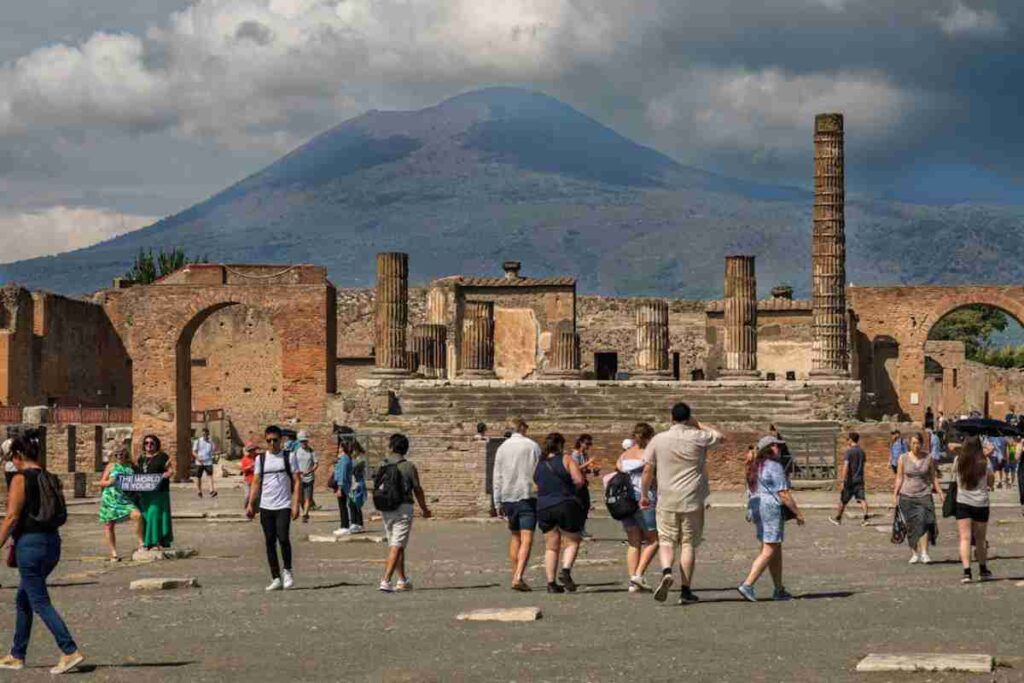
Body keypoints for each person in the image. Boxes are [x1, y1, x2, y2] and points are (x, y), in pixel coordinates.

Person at [0, 431, 84, 675]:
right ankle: (17, 654)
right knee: (24, 599)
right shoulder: (51, 477)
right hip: (52, 543)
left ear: (17, 455)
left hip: (30, 545)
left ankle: (69, 650)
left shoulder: (21, 479)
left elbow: (12, 516)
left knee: (39, 601)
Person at [640, 402, 724, 605]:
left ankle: (667, 571)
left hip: (666, 497)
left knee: (667, 540)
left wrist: (644, 494)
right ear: (688, 418)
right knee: (688, 544)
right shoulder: (698, 437)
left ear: (671, 418)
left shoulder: (658, 440)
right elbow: (720, 437)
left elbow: (647, 470)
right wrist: (699, 424)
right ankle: (686, 591)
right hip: (692, 498)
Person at [737, 435, 804, 602]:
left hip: (756, 506)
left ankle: (778, 588)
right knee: (769, 549)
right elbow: (783, 493)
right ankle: (748, 584)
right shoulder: (774, 466)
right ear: (769, 448)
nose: (779, 449)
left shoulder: (754, 466)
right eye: (776, 446)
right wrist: (797, 512)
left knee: (774, 547)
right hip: (770, 507)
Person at [247, 425, 301, 591]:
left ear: (281, 439)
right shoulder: (260, 459)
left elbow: (297, 481)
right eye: (268, 440)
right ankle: (275, 577)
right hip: (266, 506)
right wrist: (250, 504)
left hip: (283, 504)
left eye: (275, 440)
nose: (271, 443)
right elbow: (256, 482)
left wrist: (296, 503)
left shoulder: (289, 457)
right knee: (269, 542)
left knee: (283, 538)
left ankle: (288, 571)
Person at [378, 433, 432, 593]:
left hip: (386, 507)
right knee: (396, 545)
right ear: (406, 449)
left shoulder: (383, 464)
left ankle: (402, 580)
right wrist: (424, 509)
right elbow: (417, 489)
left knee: (397, 544)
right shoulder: (409, 466)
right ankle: (386, 580)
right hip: (403, 508)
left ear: (391, 447)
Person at [534, 432, 586, 594]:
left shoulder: (540, 463)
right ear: (560, 445)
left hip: (543, 507)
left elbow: (536, 483)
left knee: (551, 546)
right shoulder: (566, 459)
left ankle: (551, 582)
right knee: (573, 540)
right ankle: (565, 570)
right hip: (565, 503)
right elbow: (579, 480)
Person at [492, 419, 541, 591]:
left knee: (515, 537)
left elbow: (497, 476)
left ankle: (516, 575)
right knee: (527, 538)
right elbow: (539, 472)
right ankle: (518, 576)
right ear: (522, 427)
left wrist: (497, 501)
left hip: (508, 496)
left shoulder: (502, 448)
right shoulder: (532, 446)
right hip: (527, 495)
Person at [617, 423, 659, 593]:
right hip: (645, 497)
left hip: (626, 500)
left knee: (633, 542)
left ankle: (633, 582)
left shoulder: (625, 454)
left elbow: (618, 468)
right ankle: (639, 575)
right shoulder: (650, 453)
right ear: (650, 436)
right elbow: (651, 474)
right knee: (654, 540)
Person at [892, 433, 944, 564]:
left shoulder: (928, 458)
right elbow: (899, 477)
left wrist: (940, 492)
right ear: (910, 444)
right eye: (913, 443)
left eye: (918, 443)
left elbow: (933, 477)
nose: (916, 446)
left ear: (922, 444)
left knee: (925, 523)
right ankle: (914, 552)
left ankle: (925, 552)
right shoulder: (903, 458)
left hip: (924, 494)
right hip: (907, 495)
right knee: (911, 525)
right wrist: (895, 494)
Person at [953, 436, 994, 583]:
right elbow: (990, 482)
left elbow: (955, 479)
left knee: (965, 538)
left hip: (963, 502)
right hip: (980, 503)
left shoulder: (958, 461)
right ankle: (983, 569)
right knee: (980, 539)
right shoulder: (985, 461)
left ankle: (967, 572)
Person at [97, 447, 144, 562]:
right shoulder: (111, 466)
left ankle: (141, 543)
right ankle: (114, 553)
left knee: (137, 515)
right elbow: (102, 482)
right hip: (110, 498)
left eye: (121, 454)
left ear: (126, 454)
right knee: (109, 525)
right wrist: (109, 482)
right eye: (117, 454)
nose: (119, 456)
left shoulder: (130, 466)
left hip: (124, 497)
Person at [136, 435, 175, 549]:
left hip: (159, 492)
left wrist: (166, 475)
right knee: (146, 516)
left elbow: (170, 471)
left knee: (155, 514)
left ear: (156, 444)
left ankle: (155, 541)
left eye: (152, 443)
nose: (149, 445)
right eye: (146, 443)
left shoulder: (163, 457)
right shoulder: (141, 458)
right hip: (145, 493)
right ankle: (149, 541)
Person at [829, 432, 870, 526]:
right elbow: (862, 465)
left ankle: (838, 519)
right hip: (859, 479)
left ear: (851, 440)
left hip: (850, 481)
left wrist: (843, 480)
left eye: (847, 439)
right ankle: (866, 518)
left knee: (843, 500)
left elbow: (846, 466)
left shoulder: (849, 451)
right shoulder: (862, 452)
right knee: (862, 499)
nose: (847, 441)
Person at [331, 428, 366, 536]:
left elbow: (343, 473)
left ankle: (348, 525)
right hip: (351, 483)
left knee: (350, 504)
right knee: (351, 504)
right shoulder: (347, 458)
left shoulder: (347, 459)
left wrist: (340, 487)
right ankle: (354, 523)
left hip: (352, 483)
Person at [569, 434, 597, 537]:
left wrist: (593, 470)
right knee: (578, 506)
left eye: (590, 444)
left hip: (583, 482)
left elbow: (584, 469)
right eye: (587, 443)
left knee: (586, 505)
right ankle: (576, 529)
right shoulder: (575, 454)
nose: (588, 446)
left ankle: (582, 528)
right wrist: (589, 462)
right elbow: (575, 468)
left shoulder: (584, 455)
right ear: (581, 442)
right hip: (576, 484)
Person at [294, 431, 319, 522]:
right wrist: (296, 472)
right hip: (299, 478)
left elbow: (316, 463)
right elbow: (293, 463)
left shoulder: (311, 451)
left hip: (309, 478)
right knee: (300, 498)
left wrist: (310, 470)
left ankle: (305, 514)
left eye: (304, 441)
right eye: (301, 441)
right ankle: (305, 510)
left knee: (308, 497)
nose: (303, 443)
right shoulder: (297, 451)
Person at [191, 427, 217, 498]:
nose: (205, 435)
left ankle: (211, 490)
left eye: (206, 434)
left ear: (208, 434)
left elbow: (214, 450)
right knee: (198, 477)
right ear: (202, 434)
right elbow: (193, 451)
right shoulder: (198, 441)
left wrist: (213, 455)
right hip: (199, 462)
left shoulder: (211, 442)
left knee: (210, 476)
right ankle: (199, 491)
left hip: (208, 462)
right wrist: (198, 457)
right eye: (204, 434)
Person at [240, 443, 257, 510]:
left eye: (253, 450)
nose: (252, 452)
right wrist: (250, 466)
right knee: (247, 495)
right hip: (248, 480)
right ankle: (246, 507)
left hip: (256, 480)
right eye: (251, 450)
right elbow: (243, 470)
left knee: (256, 496)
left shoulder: (258, 457)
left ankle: (254, 509)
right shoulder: (245, 459)